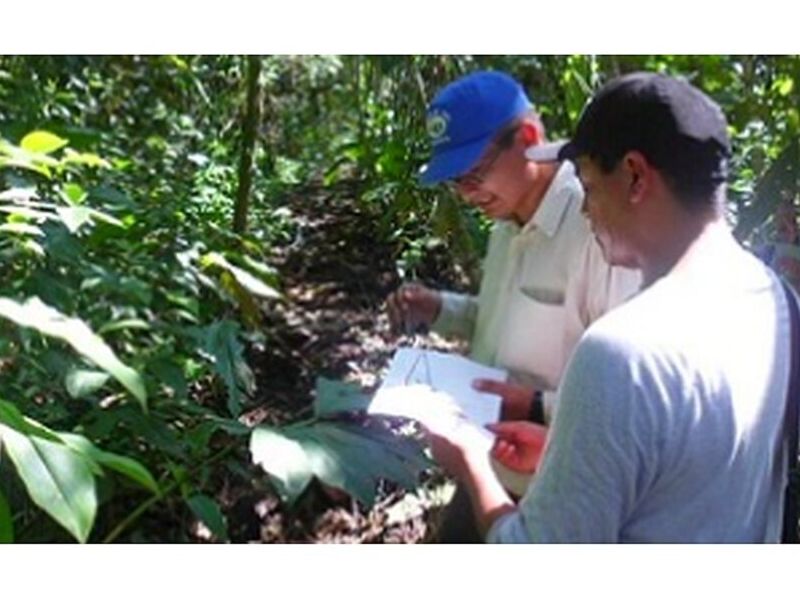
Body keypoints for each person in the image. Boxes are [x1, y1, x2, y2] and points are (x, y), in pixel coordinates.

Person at [429, 71, 795, 543]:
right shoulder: (776, 302)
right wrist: (567, 455)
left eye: (588, 184)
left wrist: (471, 461)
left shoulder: (621, 352)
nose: (585, 208)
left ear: (635, 177)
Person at [385, 70, 640, 542]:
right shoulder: (506, 220)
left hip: (555, 479)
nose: (466, 193)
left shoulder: (596, 228)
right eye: (455, 182)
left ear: (527, 137)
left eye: (474, 173)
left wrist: (537, 407)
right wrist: (441, 306)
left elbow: (631, 393)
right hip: (491, 460)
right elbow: (501, 315)